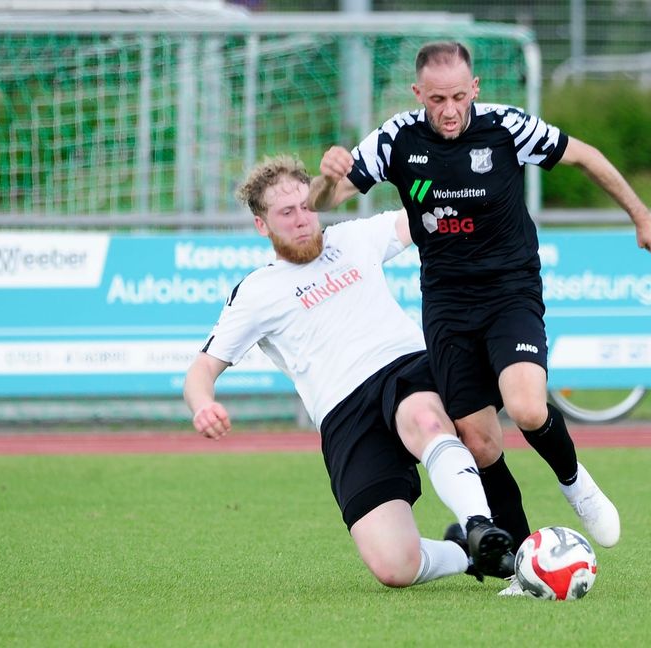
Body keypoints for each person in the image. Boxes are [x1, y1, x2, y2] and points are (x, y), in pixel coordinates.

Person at [309, 41, 651, 578]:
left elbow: (586, 156)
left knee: (526, 407)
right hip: (448, 306)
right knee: (479, 443)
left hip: (510, 291)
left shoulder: (508, 127)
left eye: (458, 96)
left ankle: (578, 486)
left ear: (474, 89)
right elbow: (323, 203)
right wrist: (327, 175)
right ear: (418, 95)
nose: (449, 110)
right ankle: (527, 563)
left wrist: (642, 217)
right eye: (436, 99)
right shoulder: (395, 139)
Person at [184, 155, 514, 588]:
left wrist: (431, 171)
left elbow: (424, 209)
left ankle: (479, 523)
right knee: (395, 566)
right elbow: (201, 370)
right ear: (262, 225)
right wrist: (203, 404)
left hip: (402, 369)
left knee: (426, 420)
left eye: (306, 206)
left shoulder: (355, 237)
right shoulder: (256, 292)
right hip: (344, 413)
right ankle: (466, 552)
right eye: (286, 213)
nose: (302, 220)